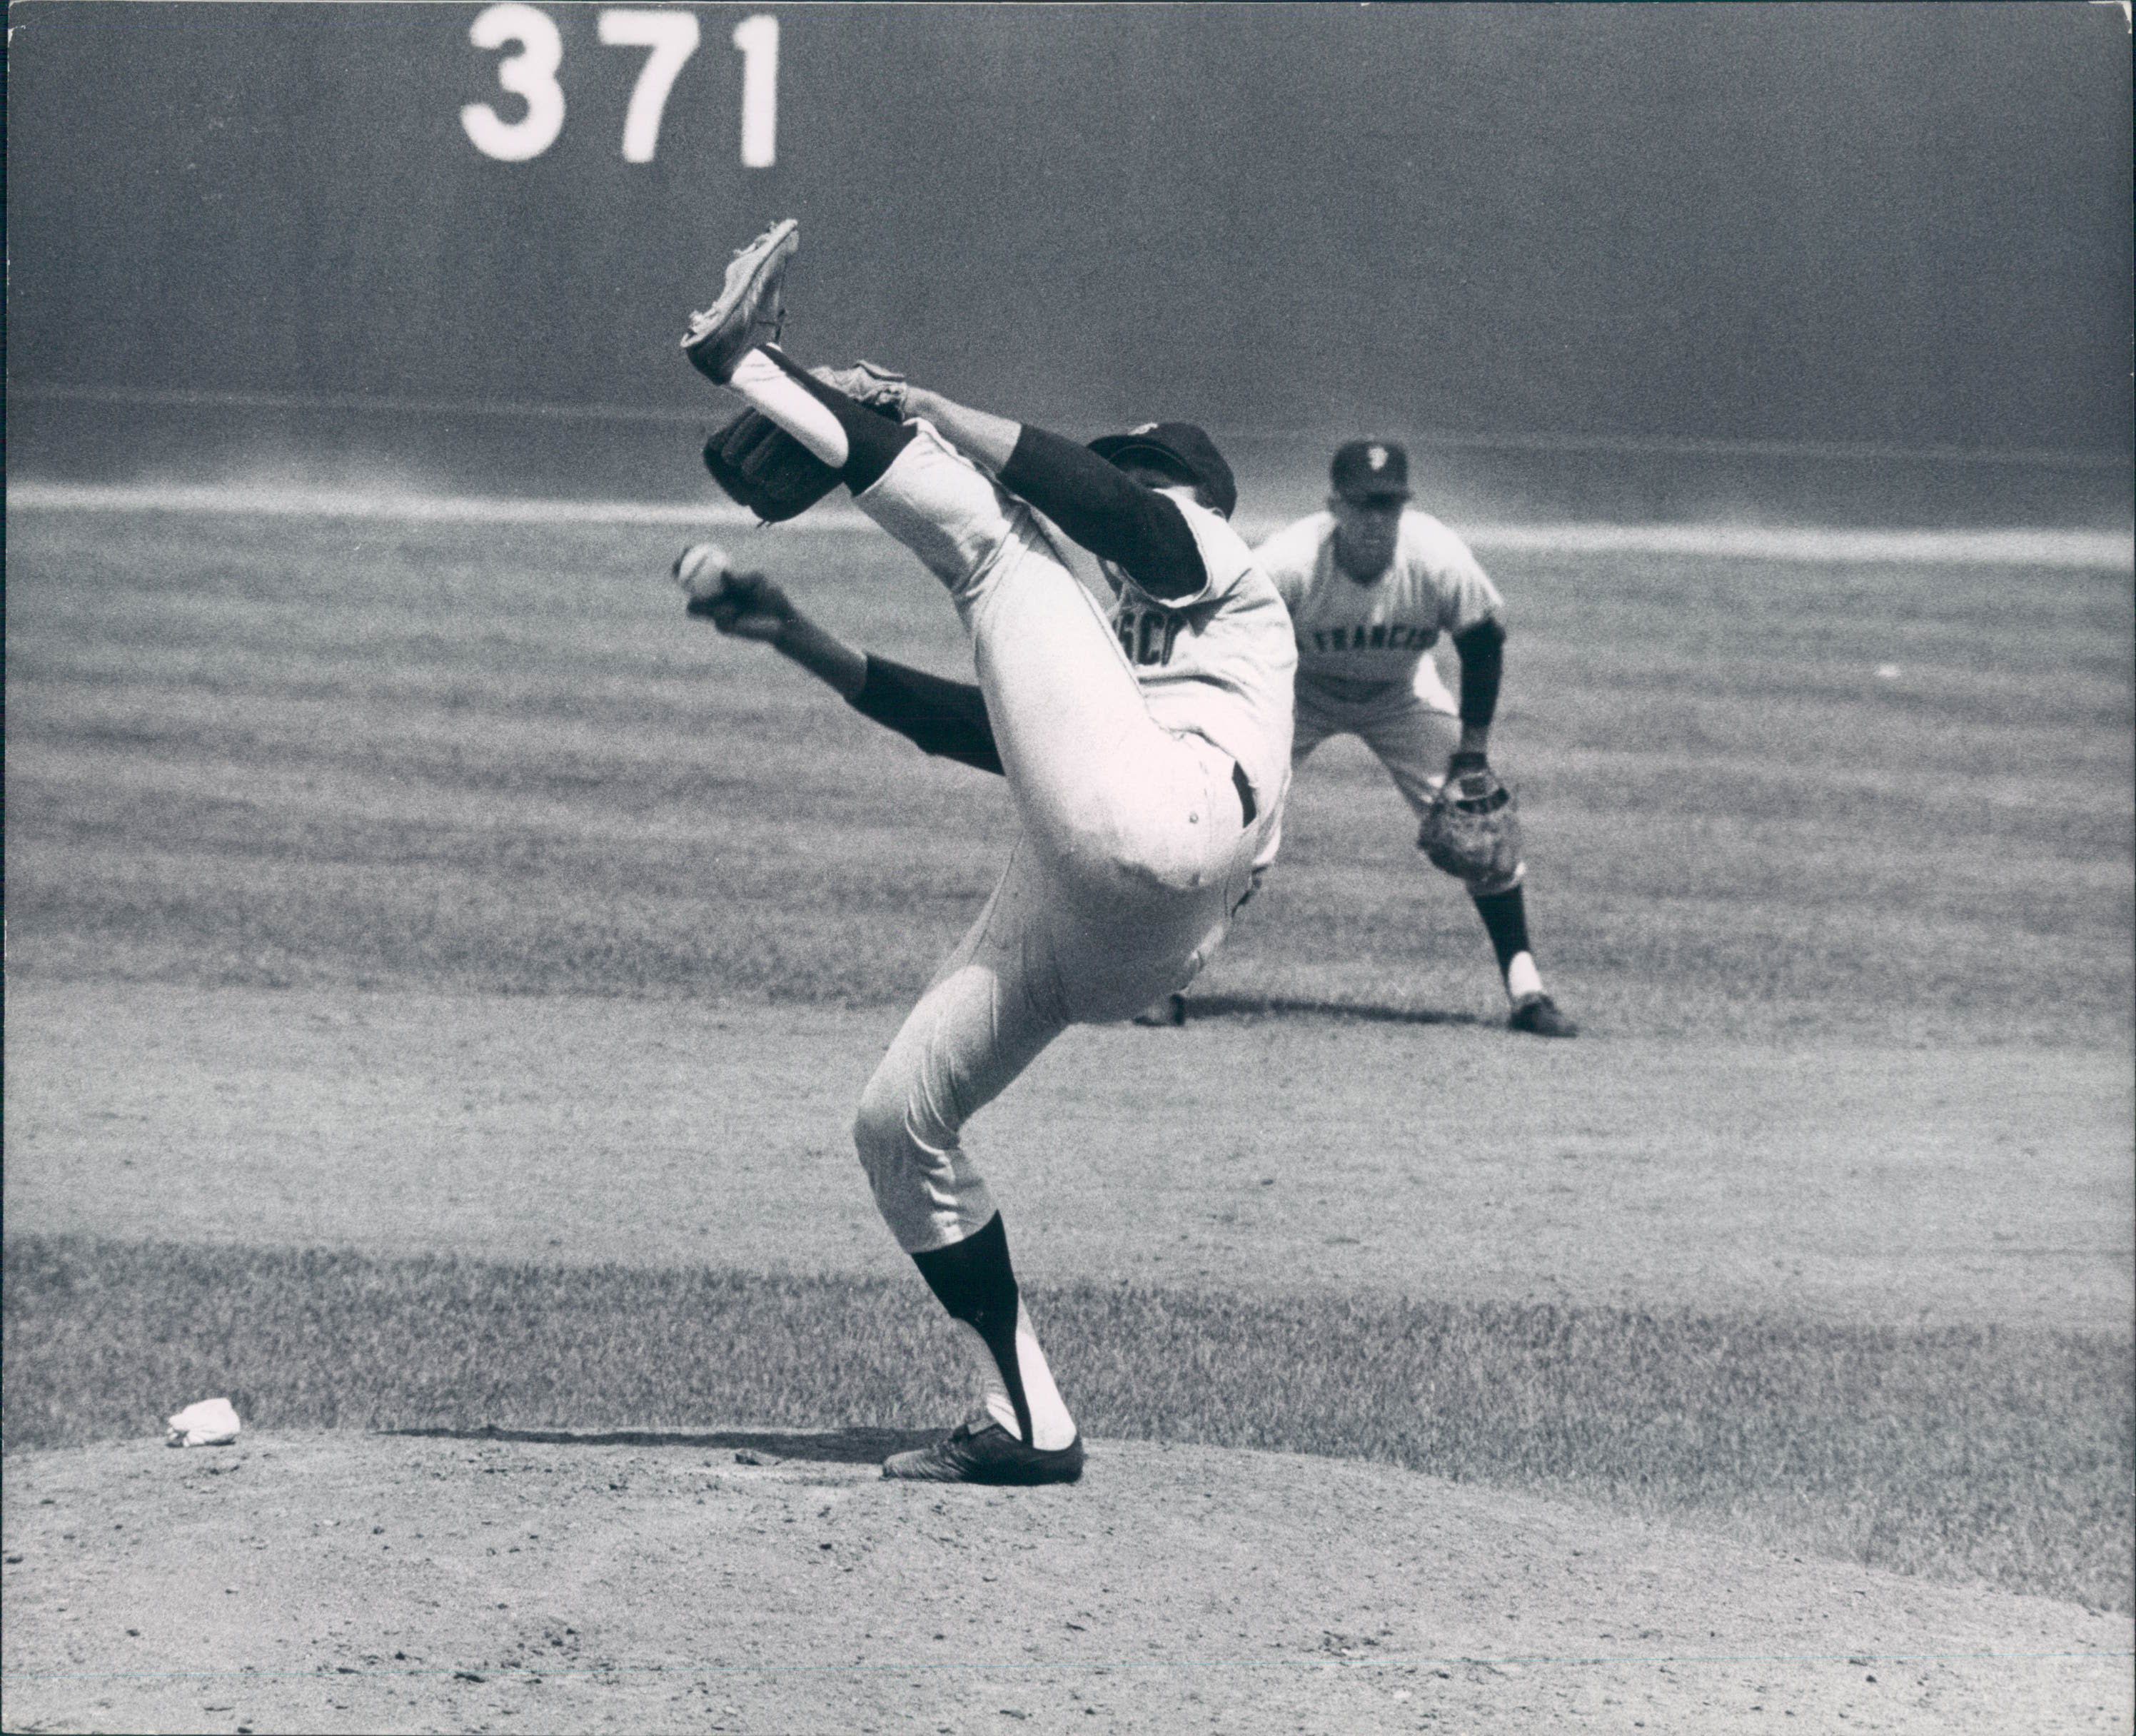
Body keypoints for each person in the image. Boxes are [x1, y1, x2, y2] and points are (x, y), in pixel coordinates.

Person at [679, 219, 1296, 1485]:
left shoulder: (1232, 585)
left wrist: (934, 415)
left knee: (999, 543)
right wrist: (793, 633)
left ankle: (749, 362)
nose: (1117, 502)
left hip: (1167, 825)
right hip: (1111, 927)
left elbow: (1115, 509)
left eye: (1137, 485)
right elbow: (977, 732)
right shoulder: (1116, 671)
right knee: (896, 1125)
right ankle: (1029, 1416)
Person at [1254, 440, 1576, 1036]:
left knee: (1481, 824)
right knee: (1236, 821)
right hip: (1299, 692)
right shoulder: (1289, 562)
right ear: (1335, 506)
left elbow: (1483, 644)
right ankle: (1170, 984)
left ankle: (1527, 991)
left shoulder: (1436, 557)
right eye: (1364, 504)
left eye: (1389, 505)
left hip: (1400, 694)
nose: (1377, 518)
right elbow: (1236, 637)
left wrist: (1472, 756)